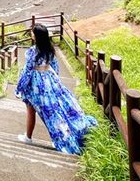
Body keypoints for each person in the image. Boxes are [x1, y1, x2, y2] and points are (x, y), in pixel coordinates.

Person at [15, 24, 96, 154]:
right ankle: (64, 135)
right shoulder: (50, 50)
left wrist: (20, 87)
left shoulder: (32, 51)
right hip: (49, 80)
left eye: (32, 32)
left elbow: (28, 71)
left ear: (36, 36)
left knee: (31, 111)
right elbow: (55, 67)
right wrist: (55, 82)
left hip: (35, 85)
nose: (31, 34)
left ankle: (28, 137)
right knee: (54, 110)